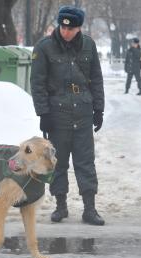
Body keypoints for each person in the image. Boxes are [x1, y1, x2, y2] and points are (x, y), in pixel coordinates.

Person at [30, 6, 105, 225]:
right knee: (58, 162)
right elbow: (38, 83)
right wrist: (43, 113)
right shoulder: (44, 47)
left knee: (85, 162)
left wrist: (98, 109)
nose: (66, 32)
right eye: (63, 27)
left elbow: (96, 79)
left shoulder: (88, 45)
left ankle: (89, 209)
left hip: (83, 113)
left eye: (71, 28)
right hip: (57, 114)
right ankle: (60, 206)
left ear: (78, 28)